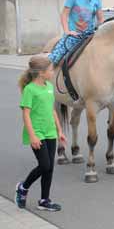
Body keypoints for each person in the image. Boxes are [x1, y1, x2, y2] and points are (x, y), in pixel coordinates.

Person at [15, 55, 67, 211]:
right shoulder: (30, 90)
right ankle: (23, 187)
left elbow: (52, 110)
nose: (53, 72)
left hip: (50, 132)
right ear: (41, 73)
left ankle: (44, 200)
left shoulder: (49, 87)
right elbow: (26, 114)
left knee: (50, 167)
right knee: (44, 165)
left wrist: (59, 130)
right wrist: (32, 136)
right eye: (51, 69)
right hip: (37, 132)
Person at [48, 0, 105, 65]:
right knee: (55, 58)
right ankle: (44, 73)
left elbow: (101, 19)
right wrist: (67, 32)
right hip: (74, 36)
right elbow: (64, 15)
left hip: (90, 34)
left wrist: (101, 31)